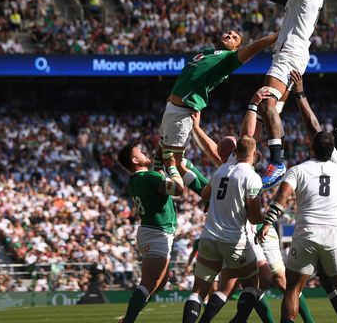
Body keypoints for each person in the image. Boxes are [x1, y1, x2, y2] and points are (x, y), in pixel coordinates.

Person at [236, 0, 334, 188]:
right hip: (295, 55)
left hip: (289, 53)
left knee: (266, 103)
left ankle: (277, 161)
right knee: (270, 109)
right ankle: (251, 160)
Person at [257, 132, 337, 323]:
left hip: (306, 234)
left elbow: (281, 198)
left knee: (293, 289)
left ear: (311, 148)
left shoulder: (298, 170)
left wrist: (266, 223)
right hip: (334, 235)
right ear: (331, 152)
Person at [159, 29, 277, 186]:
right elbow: (189, 75)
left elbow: (253, 48)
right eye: (228, 33)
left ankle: (204, 192)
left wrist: (276, 36)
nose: (229, 36)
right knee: (163, 153)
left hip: (182, 112)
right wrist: (174, 94)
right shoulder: (206, 52)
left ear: (236, 48)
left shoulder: (228, 59)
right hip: (172, 106)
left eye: (235, 37)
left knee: (175, 161)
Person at [182, 136, 264, 323]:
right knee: (252, 285)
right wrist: (266, 217)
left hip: (209, 236)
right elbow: (253, 217)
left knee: (198, 292)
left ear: (236, 152)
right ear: (252, 153)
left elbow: (204, 194)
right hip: (234, 240)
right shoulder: (252, 177)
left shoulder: (221, 171)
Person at [117, 142, 187, 323]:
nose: (144, 152)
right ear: (134, 160)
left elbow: (156, 176)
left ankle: (130, 316)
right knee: (149, 283)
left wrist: (158, 156)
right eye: (140, 152)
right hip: (157, 233)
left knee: (161, 281)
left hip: (153, 232)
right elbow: (179, 189)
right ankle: (129, 319)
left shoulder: (136, 179)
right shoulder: (148, 178)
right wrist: (172, 167)